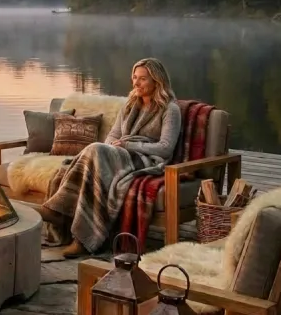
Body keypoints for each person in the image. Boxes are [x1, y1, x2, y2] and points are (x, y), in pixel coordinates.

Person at [40, 58, 182, 258]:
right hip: (121, 153)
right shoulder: (130, 104)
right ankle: (68, 223)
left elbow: (165, 148)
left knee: (95, 150)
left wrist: (127, 145)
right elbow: (113, 135)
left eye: (142, 79)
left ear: (157, 81)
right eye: (134, 77)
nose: (136, 83)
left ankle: (75, 230)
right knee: (95, 156)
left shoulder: (170, 109)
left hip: (147, 158)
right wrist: (109, 149)